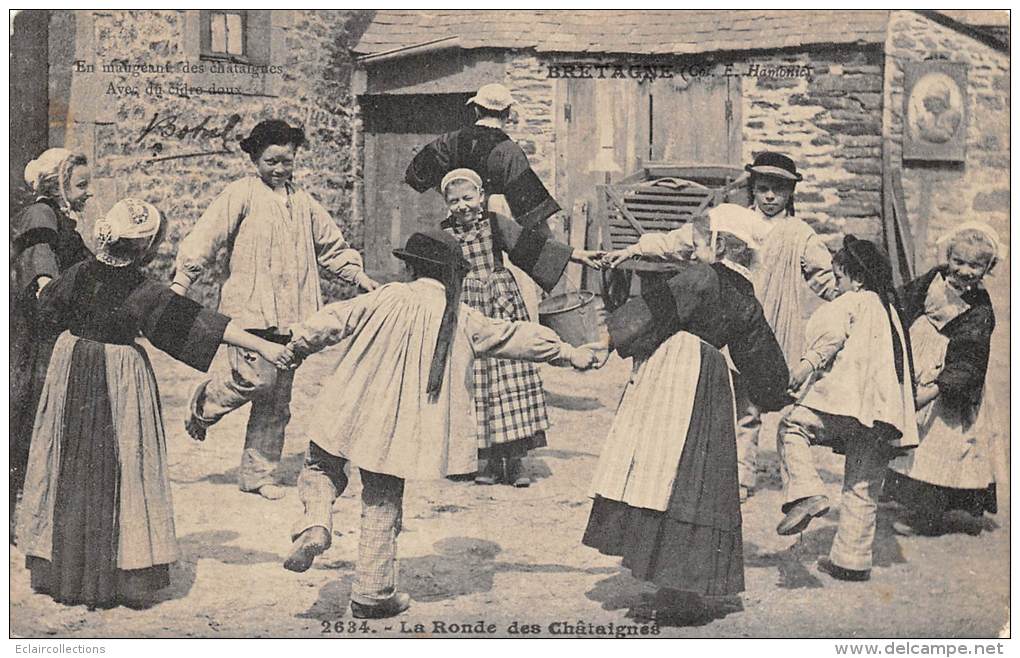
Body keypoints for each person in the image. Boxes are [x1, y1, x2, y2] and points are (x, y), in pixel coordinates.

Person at [278, 229, 596, 619]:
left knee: (319, 466)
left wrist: (296, 348)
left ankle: (315, 523)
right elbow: (514, 336)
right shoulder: (461, 315)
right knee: (382, 497)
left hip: (349, 406)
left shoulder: (386, 295)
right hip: (396, 431)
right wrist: (566, 352)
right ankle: (372, 592)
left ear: (410, 266)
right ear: (451, 274)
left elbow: (331, 321)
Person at [16, 199, 289, 609]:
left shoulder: (78, 273)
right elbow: (204, 323)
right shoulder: (143, 291)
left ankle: (65, 569)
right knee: (121, 465)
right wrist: (264, 345)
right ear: (146, 248)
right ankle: (119, 571)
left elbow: (46, 305)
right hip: (119, 376)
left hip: (69, 367)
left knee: (71, 462)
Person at [581, 213, 790, 620]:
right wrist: (779, 389)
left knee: (661, 470)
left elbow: (653, 309)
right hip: (712, 381)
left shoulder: (701, 277)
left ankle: (669, 584)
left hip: (677, 372)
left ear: (723, 247)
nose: (695, 249)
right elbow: (760, 356)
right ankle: (685, 587)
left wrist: (607, 340)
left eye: (702, 241)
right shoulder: (746, 296)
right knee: (697, 479)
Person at [175, 119, 378, 499]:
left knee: (277, 398)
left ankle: (257, 475)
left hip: (293, 315)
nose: (280, 169)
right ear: (255, 159)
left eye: (287, 161)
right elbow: (205, 238)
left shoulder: (304, 202)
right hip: (251, 311)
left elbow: (331, 248)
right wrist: (181, 284)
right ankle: (205, 402)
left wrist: (358, 277)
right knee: (256, 379)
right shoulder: (240, 195)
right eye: (271, 161)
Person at [435, 168, 600, 486]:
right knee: (476, 379)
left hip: (503, 305)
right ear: (446, 204)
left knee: (512, 374)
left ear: (481, 197)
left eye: (468, 197)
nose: (462, 206)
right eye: (454, 201)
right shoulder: (444, 235)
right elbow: (430, 271)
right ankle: (485, 459)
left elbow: (532, 248)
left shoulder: (496, 224)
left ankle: (516, 460)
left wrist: (577, 256)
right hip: (468, 312)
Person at [775, 236, 917, 583]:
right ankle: (850, 561)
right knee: (863, 483)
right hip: (885, 415)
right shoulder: (891, 311)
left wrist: (803, 370)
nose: (835, 286)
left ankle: (806, 491)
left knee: (792, 426)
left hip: (848, 403)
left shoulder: (851, 301)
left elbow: (828, 340)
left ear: (857, 279)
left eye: (838, 278)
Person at [884, 222, 1004, 536]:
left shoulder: (979, 309)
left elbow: (969, 357)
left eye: (975, 265)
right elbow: (903, 301)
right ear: (947, 258)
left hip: (948, 377)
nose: (964, 270)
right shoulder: (932, 280)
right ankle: (900, 493)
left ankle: (928, 514)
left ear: (987, 268)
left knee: (939, 441)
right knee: (909, 436)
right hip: (919, 356)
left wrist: (936, 389)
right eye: (958, 261)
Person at [739, 152, 840, 501]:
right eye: (762, 188)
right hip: (739, 329)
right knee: (745, 411)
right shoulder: (739, 225)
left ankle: (795, 481)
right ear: (753, 188)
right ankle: (741, 478)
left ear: (790, 194)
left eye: (777, 191)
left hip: (780, 330)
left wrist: (850, 299)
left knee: (789, 410)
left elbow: (825, 277)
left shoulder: (800, 233)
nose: (769, 197)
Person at [10, 148, 94, 535]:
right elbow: (38, 252)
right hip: (37, 331)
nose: (87, 193)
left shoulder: (62, 218)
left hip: (56, 327)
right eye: (80, 185)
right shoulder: (42, 213)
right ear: (58, 183)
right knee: (27, 407)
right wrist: (46, 283)